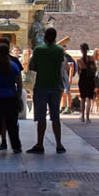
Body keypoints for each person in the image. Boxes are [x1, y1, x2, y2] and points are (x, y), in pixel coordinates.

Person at [27, 26, 66, 154]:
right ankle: (59, 145)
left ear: (44, 36)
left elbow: (32, 66)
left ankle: (40, 144)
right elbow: (62, 66)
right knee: (56, 117)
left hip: (41, 86)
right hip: (55, 86)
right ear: (55, 37)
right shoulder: (60, 50)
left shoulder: (38, 50)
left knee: (41, 117)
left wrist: (41, 68)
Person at [0, 38, 24, 150]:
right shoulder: (14, 61)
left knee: (4, 120)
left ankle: (5, 142)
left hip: (0, 94)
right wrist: (19, 93)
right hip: (10, 94)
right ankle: (14, 144)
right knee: (10, 120)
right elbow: (19, 80)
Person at [77, 43, 96, 123]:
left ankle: (82, 116)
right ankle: (88, 117)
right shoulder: (91, 58)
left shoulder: (79, 60)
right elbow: (95, 69)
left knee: (83, 98)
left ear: (81, 50)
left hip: (83, 79)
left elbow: (78, 72)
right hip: (90, 79)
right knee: (89, 99)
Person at [58, 37, 76, 115]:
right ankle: (62, 107)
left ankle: (68, 107)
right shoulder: (58, 56)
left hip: (65, 75)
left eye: (64, 48)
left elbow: (71, 67)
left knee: (67, 91)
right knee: (61, 92)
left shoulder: (68, 57)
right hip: (59, 75)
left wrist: (70, 78)